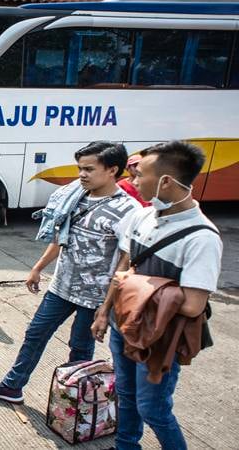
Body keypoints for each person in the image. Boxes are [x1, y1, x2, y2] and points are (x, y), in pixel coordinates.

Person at [0, 141, 140, 404]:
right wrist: (38, 268)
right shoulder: (76, 195)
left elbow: (124, 264)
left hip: (94, 297)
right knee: (35, 334)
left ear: (112, 170)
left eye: (89, 169)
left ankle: (76, 407)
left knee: (80, 349)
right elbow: (61, 236)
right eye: (80, 168)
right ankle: (12, 386)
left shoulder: (128, 210)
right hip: (61, 287)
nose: (82, 174)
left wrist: (106, 310)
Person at [91, 141, 223, 450]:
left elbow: (192, 306)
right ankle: (126, 446)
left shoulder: (201, 238)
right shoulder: (143, 216)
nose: (134, 182)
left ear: (165, 181)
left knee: (153, 408)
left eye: (140, 175)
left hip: (159, 340)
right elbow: (123, 265)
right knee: (125, 395)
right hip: (123, 326)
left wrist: (131, 284)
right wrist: (103, 311)